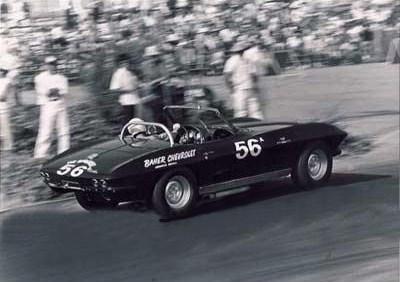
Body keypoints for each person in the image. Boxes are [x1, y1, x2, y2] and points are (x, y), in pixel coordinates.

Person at [33, 56, 70, 161]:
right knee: (45, 129)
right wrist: (54, 91)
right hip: (47, 105)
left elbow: (64, 91)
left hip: (60, 104)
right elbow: (45, 92)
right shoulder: (39, 78)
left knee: (63, 129)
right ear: (45, 65)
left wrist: (55, 91)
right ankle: (40, 154)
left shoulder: (62, 78)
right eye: (49, 64)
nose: (52, 66)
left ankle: (64, 152)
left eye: (54, 64)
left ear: (56, 65)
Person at [223, 41, 264, 119]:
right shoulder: (248, 59)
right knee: (254, 110)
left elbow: (227, 75)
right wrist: (255, 84)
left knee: (241, 111)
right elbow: (254, 75)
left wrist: (230, 88)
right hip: (248, 86)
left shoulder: (231, 60)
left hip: (240, 88)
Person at [109, 53, 140, 125]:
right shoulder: (118, 73)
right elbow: (114, 89)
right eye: (124, 62)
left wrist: (137, 86)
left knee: (135, 120)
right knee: (127, 120)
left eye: (127, 62)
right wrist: (128, 90)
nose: (126, 64)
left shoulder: (131, 72)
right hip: (126, 100)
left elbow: (136, 84)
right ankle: (126, 134)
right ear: (120, 63)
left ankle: (134, 134)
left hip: (135, 99)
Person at [0, 66, 14, 151]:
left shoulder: (8, 81)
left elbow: (3, 96)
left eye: (2, 71)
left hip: (3, 105)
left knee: (5, 127)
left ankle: (8, 146)